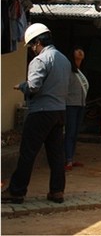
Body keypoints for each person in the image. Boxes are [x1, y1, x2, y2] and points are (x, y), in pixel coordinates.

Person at [2, 23, 71, 204]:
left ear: (39, 42)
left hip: (40, 112)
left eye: (32, 45)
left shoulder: (40, 60)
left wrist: (21, 86)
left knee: (28, 152)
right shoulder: (64, 60)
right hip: (59, 112)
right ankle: (57, 192)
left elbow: (33, 86)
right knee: (56, 154)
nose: (32, 50)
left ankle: (16, 192)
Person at [64, 46, 89, 171]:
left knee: (75, 133)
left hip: (80, 105)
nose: (80, 52)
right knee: (70, 132)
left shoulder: (80, 71)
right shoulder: (67, 70)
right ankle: (67, 159)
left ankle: (71, 158)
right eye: (77, 50)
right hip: (70, 105)